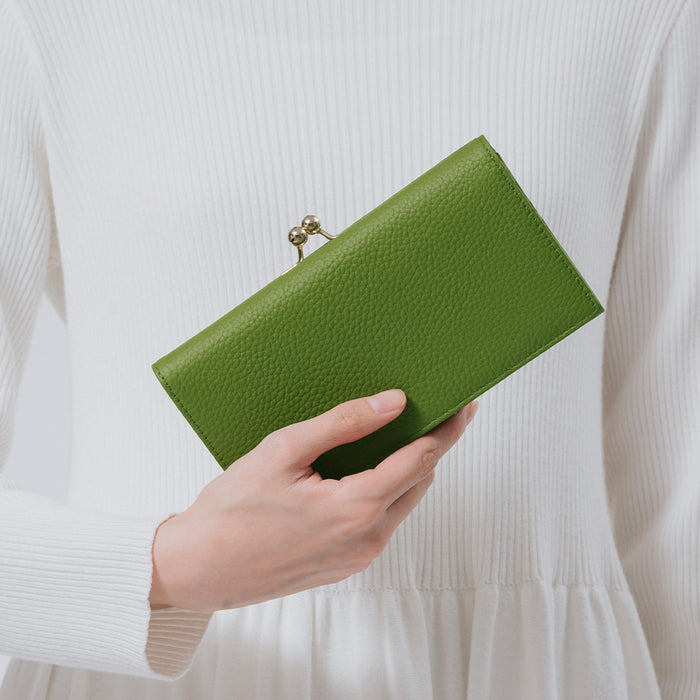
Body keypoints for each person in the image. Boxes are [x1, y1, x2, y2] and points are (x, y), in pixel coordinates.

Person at [0, 0, 697, 698]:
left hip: (538, 669)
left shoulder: (642, 20)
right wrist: (176, 565)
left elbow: (679, 486)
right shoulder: (44, 24)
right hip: (169, 666)